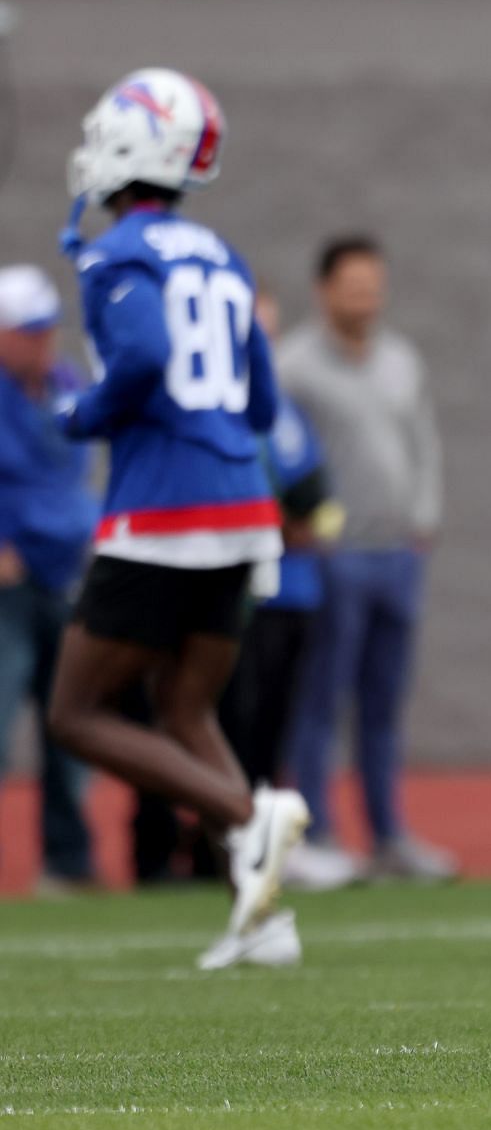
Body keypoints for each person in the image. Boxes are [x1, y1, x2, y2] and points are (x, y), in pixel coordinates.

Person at [46, 68, 309, 967]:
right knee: (185, 704)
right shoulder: (222, 255)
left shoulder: (120, 255)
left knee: (76, 714)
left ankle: (249, 815)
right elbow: (265, 403)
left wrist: (85, 413)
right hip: (243, 505)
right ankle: (263, 914)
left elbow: (149, 356)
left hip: (166, 509)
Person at [278, 235, 454, 885]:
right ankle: (317, 835)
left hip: (397, 554)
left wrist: (423, 519)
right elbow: (279, 454)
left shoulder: (401, 360)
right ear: (325, 289)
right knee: (322, 701)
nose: (365, 298)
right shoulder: (293, 366)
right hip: (335, 556)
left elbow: (423, 442)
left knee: (384, 704)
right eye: (353, 286)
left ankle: (388, 837)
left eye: (373, 286)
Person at [218, 285, 344, 847]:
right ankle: (230, 842)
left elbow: (314, 486)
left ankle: (262, 842)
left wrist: (311, 522)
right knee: (236, 725)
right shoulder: (221, 405)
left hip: (295, 587)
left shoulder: (279, 405)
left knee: (276, 725)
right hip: (245, 594)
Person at [0, 264, 100, 894]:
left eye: (46, 329)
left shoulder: (65, 388)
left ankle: (68, 861)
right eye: (27, 331)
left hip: (65, 576)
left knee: (70, 721)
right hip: (8, 584)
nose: (43, 341)